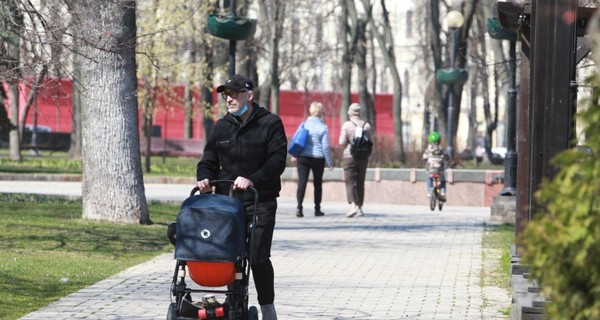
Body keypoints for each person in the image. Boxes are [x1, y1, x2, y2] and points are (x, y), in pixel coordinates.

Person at [196, 74, 287, 320]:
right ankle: (234, 303)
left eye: (235, 94)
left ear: (250, 94)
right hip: (228, 204)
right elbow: (208, 161)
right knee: (229, 254)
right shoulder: (221, 127)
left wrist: (253, 179)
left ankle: (267, 307)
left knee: (257, 256)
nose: (230, 99)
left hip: (261, 200)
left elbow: (277, 161)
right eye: (227, 94)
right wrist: (204, 178)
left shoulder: (270, 123)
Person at [290, 102, 334, 218]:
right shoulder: (323, 127)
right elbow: (325, 146)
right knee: (317, 184)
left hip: (303, 157)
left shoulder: (304, 124)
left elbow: (296, 139)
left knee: (302, 182)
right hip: (318, 158)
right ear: (321, 112)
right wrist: (329, 162)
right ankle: (317, 209)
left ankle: (299, 208)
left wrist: (294, 155)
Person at [338, 103, 371, 218]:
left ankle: (352, 205)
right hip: (363, 157)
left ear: (349, 112)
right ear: (360, 112)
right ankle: (360, 207)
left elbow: (341, 142)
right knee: (360, 181)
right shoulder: (366, 125)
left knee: (350, 181)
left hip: (349, 156)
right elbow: (369, 141)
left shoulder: (347, 125)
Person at [422, 131, 448, 199]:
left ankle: (430, 190)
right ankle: (442, 191)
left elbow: (424, 157)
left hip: (430, 169)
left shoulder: (428, 150)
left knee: (429, 178)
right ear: (439, 141)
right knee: (443, 180)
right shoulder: (441, 149)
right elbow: (446, 156)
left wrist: (425, 160)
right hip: (439, 170)